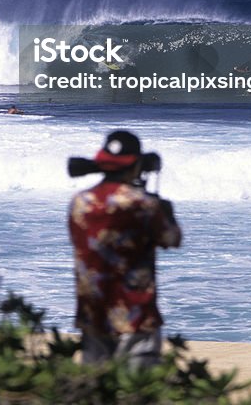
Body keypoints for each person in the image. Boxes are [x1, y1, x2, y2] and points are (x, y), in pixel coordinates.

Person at [68, 129, 182, 368]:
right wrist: (165, 209)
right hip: (135, 315)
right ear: (135, 165)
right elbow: (172, 239)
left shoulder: (80, 202)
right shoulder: (144, 205)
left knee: (96, 390)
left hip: (94, 316)